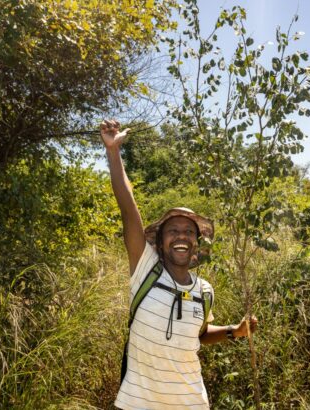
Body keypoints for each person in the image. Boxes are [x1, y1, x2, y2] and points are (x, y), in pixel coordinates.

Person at [100, 119, 258, 409]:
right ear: (160, 242)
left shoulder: (205, 290)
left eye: (188, 232)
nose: (181, 236)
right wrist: (113, 152)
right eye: (173, 231)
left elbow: (199, 334)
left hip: (191, 403)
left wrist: (235, 331)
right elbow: (128, 207)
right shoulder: (145, 268)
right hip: (138, 403)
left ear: (197, 243)